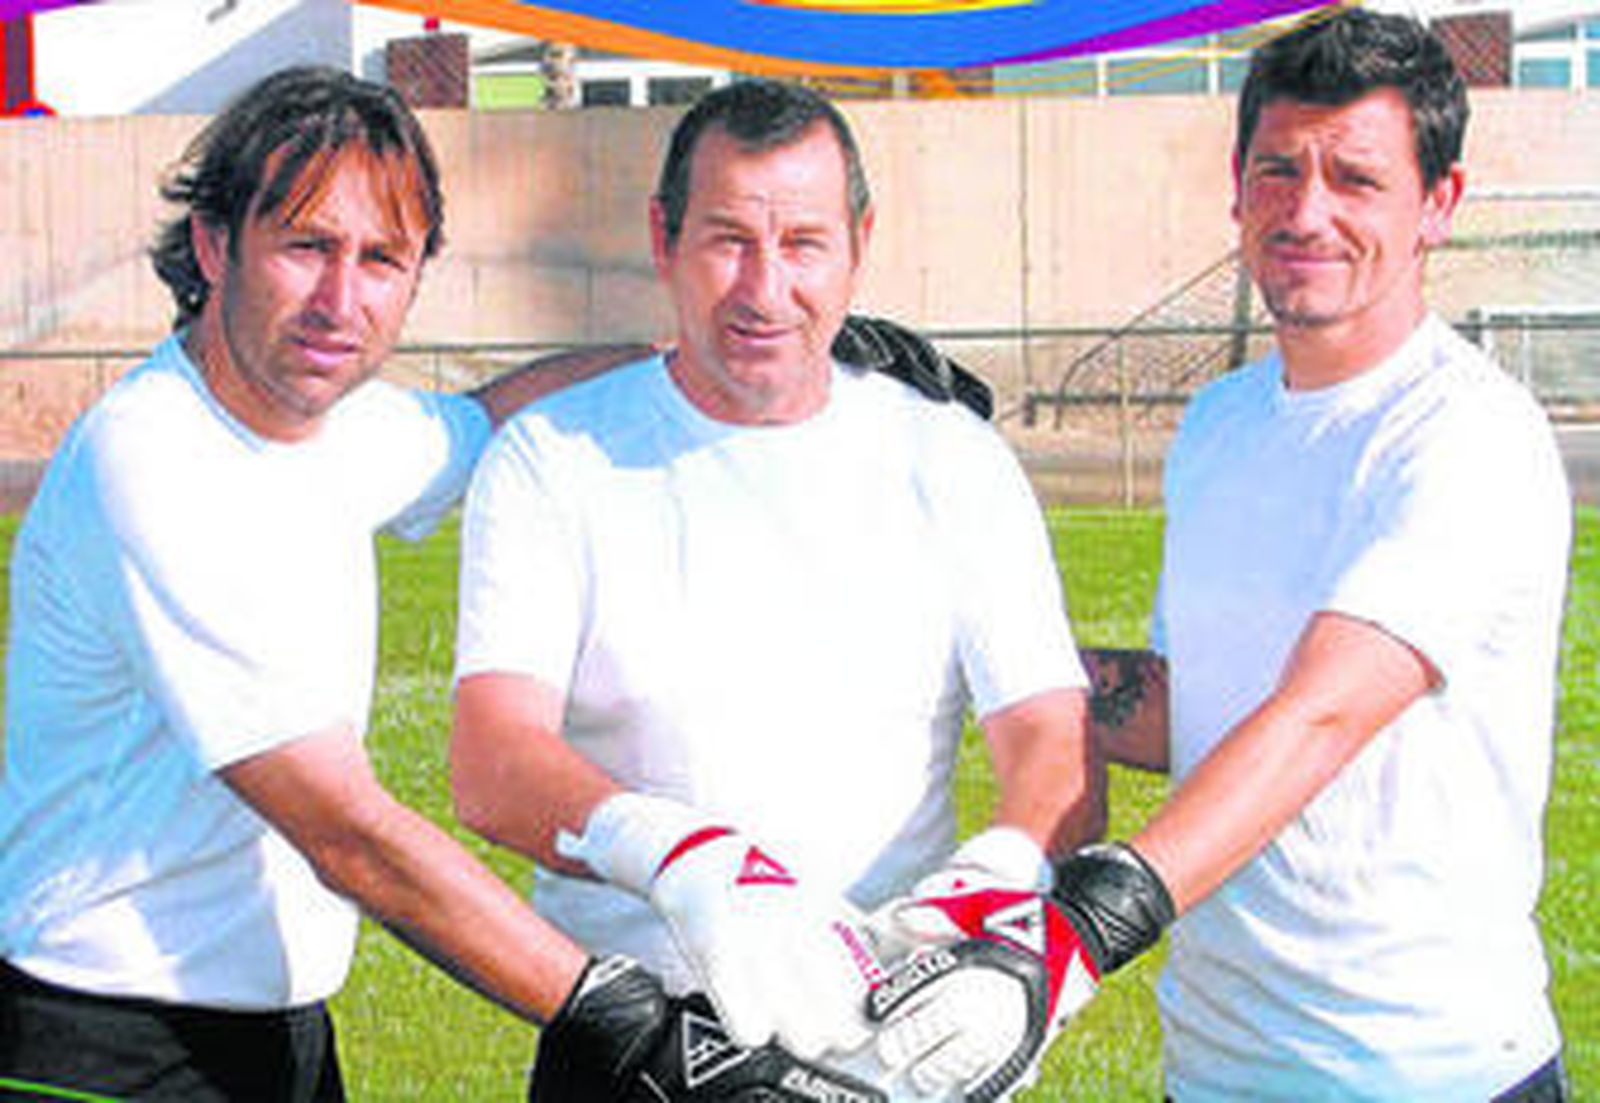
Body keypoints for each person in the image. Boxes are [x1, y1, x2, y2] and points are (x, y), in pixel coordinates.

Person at [0, 65, 895, 1103]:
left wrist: (728, 355)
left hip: (274, 1035)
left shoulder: (332, 426)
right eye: (306, 245)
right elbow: (346, 829)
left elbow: (495, 411)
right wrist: (629, 1019)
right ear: (212, 245)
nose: (342, 298)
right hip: (102, 1041)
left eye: (383, 258)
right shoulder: (156, 460)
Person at [905, 8, 1569, 1100]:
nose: (1305, 211)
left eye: (1355, 179)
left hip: (1427, 1068)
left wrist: (1077, 931)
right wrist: (978, 657)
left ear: (1437, 206)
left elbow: (1320, 714)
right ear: (1236, 185)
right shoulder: (1220, 424)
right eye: (1277, 170)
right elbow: (1192, 709)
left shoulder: (1465, 435)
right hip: (1219, 1065)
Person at [449, 78, 1099, 1098]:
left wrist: (1000, 879)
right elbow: (491, 759)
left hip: (888, 1026)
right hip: (635, 1034)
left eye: (802, 242)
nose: (763, 287)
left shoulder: (949, 457)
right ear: (663, 239)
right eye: (726, 240)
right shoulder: (555, 454)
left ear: (857, 243)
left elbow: (1052, 744)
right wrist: (682, 856)